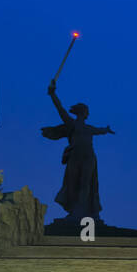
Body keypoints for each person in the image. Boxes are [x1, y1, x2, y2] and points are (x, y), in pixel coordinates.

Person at [41, 79, 115, 222]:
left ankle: (83, 211)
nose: (87, 113)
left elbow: (100, 130)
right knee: (74, 183)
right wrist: (52, 94)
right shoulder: (72, 124)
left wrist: (106, 129)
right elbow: (60, 109)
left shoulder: (88, 128)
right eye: (86, 111)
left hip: (88, 157)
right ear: (82, 113)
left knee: (86, 183)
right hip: (75, 156)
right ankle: (76, 211)